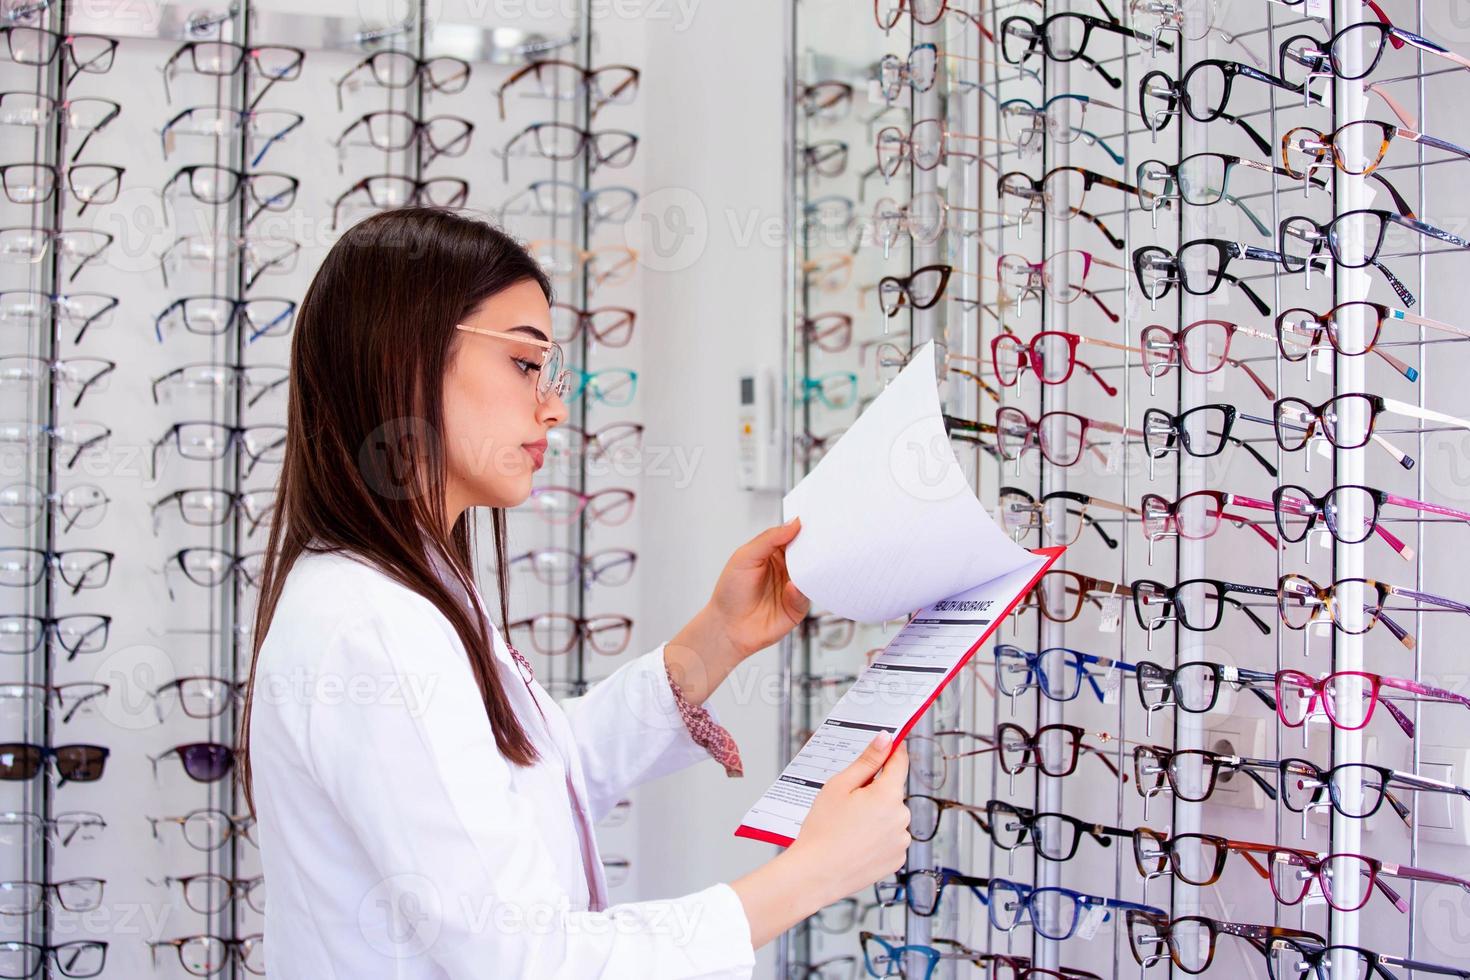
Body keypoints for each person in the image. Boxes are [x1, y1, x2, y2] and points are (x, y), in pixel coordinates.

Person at [240, 207, 911, 978]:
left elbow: (524, 786)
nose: (553, 407)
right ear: (404, 357)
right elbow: (528, 961)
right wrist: (813, 872)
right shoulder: (375, 629)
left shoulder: (403, 592)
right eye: (526, 365)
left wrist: (714, 640)